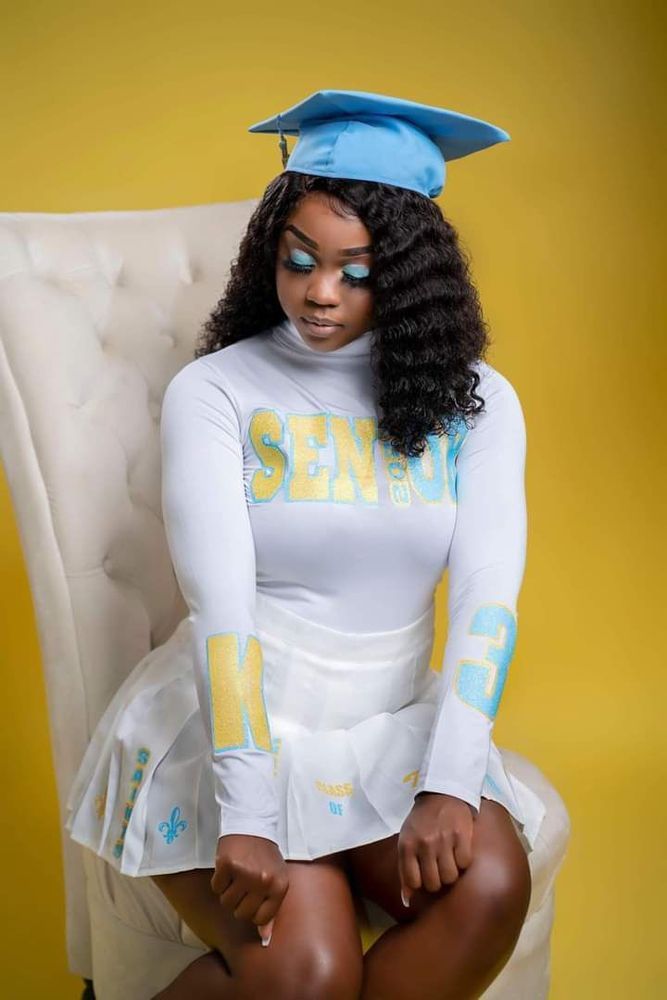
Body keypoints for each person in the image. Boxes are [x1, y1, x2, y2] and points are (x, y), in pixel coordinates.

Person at [66, 89, 547, 999]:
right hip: (233, 725)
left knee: (489, 884)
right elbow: (224, 606)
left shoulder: (476, 402)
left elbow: (488, 592)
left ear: (406, 274)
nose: (319, 293)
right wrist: (242, 813)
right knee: (309, 974)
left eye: (355, 271)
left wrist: (449, 781)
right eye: (298, 260)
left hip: (384, 724)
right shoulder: (216, 391)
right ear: (267, 255)